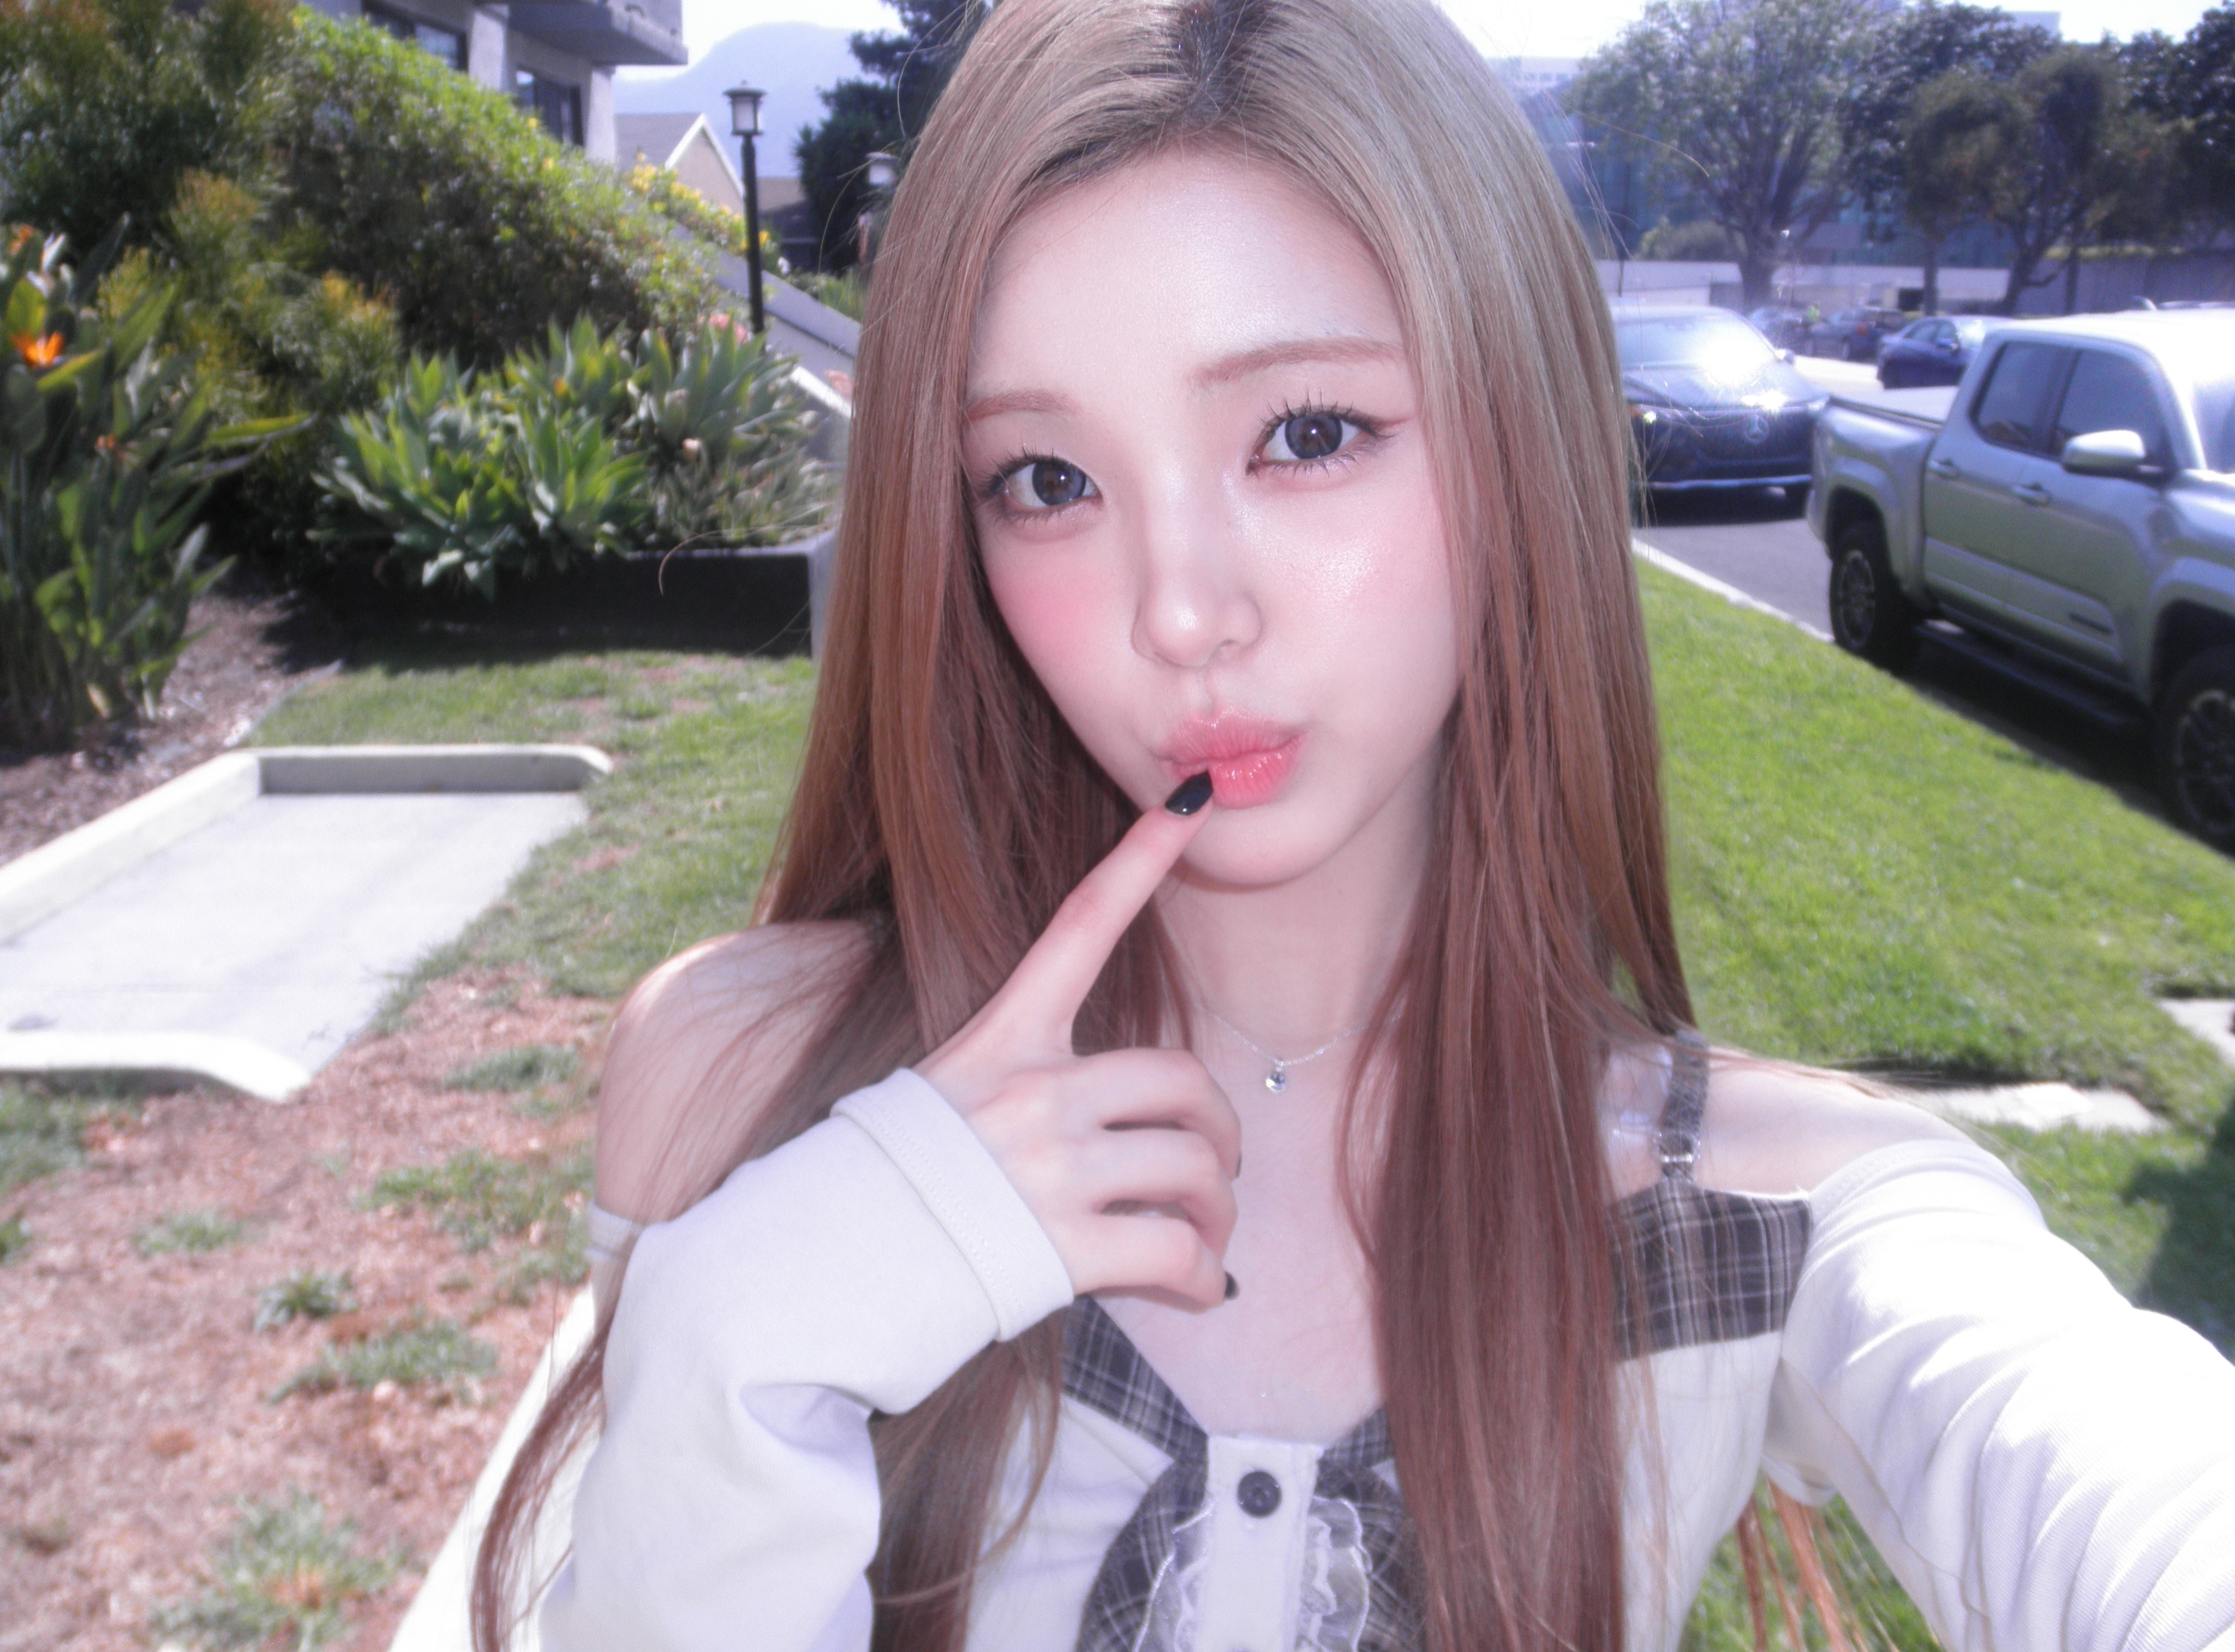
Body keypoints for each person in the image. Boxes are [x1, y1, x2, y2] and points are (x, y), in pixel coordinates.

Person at [473, 1, 2235, 1648]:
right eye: (1048, 480)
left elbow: (2118, 1481)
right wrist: (752, 1327)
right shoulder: (751, 1086)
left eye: (1307, 433)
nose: (1183, 610)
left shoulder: (1763, 1212)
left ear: (1522, 444)